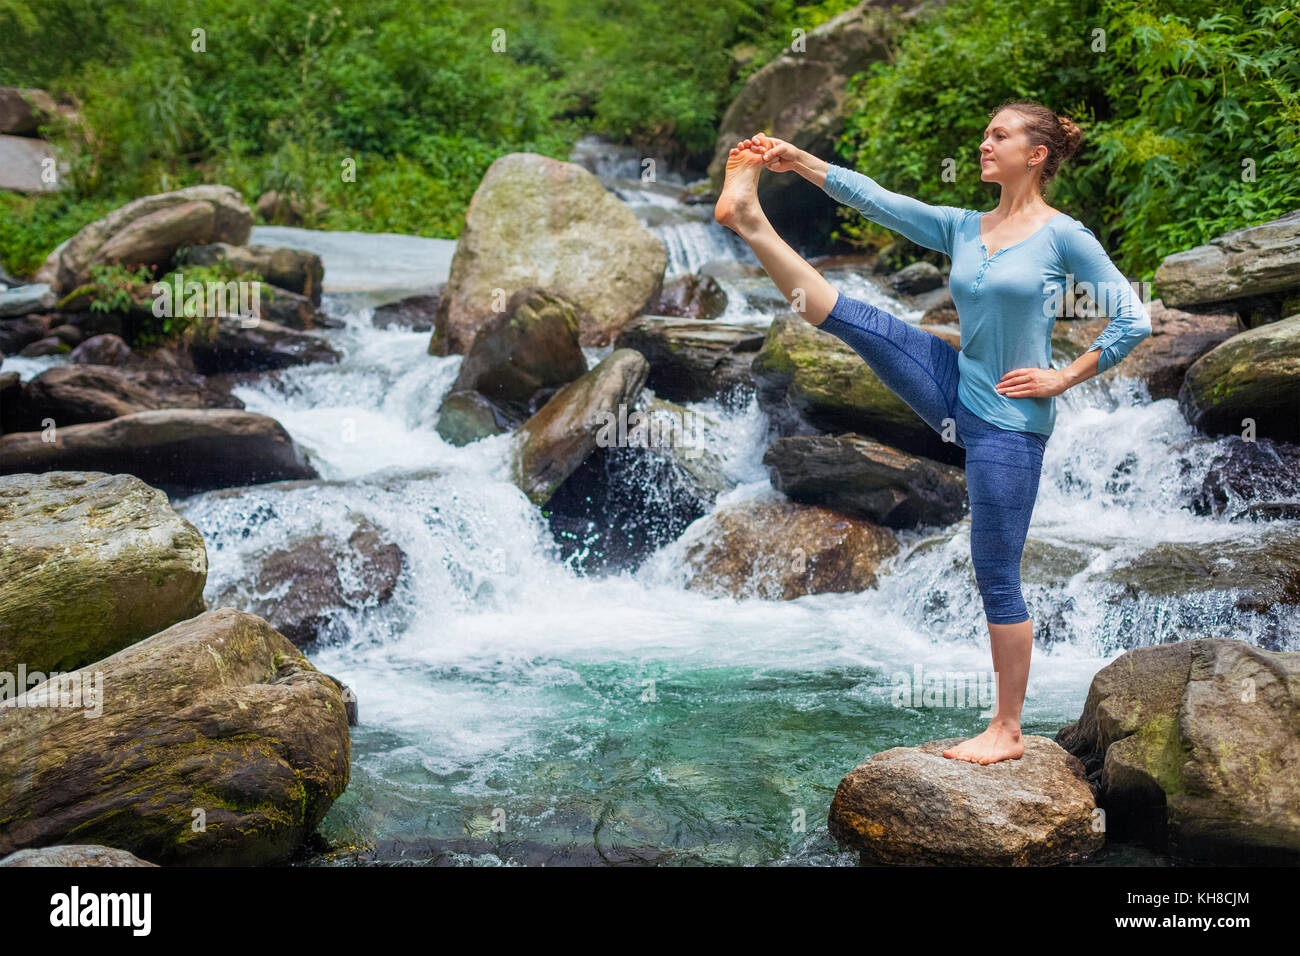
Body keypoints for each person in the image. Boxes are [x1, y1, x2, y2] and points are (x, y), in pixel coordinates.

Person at [713, 101, 1151, 765]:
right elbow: (879, 201)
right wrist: (795, 159)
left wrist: (1064, 378)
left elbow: (1132, 320)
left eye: (998, 135)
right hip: (953, 384)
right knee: (852, 319)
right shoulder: (965, 228)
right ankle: (749, 221)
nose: (984, 143)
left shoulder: (1066, 238)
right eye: (984, 133)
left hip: (1009, 422)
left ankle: (1006, 729)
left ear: (1036, 155)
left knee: (996, 576)